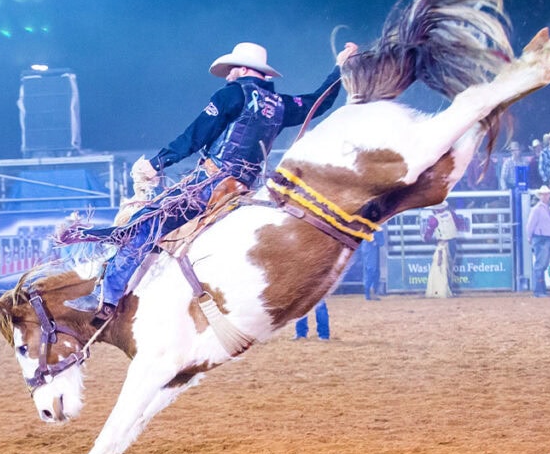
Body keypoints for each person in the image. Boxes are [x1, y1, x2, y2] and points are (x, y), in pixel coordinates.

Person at [66, 41, 359, 317]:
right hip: (246, 187)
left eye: (232, 69)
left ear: (243, 69)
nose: (228, 75)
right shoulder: (281, 105)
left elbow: (196, 135)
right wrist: (339, 69)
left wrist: (159, 163)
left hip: (211, 183)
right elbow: (316, 103)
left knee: (145, 223)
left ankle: (107, 298)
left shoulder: (231, 94)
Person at [422, 200, 467, 298]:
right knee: (449, 266)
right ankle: (449, 289)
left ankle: (443, 290)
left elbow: (428, 234)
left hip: (442, 244)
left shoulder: (434, 219)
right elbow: (461, 225)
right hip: (452, 242)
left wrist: (426, 238)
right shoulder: (451, 215)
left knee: (441, 267)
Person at [526, 185, 550, 298]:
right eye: (544, 194)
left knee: (542, 264)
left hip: (545, 238)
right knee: (540, 265)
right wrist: (529, 237)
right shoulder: (538, 209)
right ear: (540, 196)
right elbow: (530, 225)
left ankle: (541, 290)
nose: (545, 196)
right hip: (542, 238)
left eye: (547, 194)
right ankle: (539, 291)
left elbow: (530, 225)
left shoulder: (543, 208)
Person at [359, 233, 383, 300]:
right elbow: (381, 242)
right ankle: (370, 292)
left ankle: (369, 293)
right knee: (371, 270)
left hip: (370, 249)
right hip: (371, 249)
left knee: (371, 270)